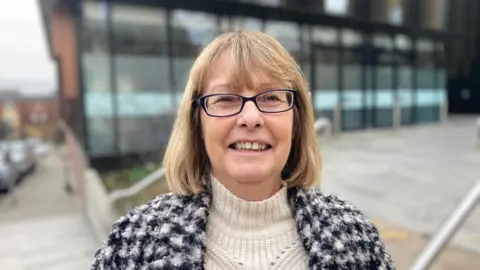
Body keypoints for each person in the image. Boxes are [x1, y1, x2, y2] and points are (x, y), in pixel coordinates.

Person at [91, 31, 395, 269]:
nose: (251, 118)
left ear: (296, 119)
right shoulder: (136, 242)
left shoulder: (355, 237)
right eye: (225, 99)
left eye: (272, 98)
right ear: (197, 122)